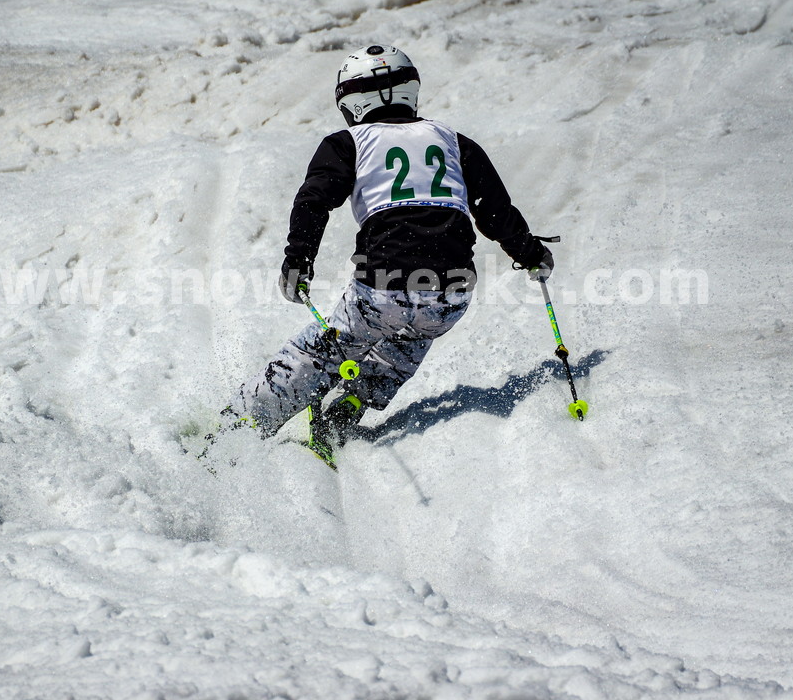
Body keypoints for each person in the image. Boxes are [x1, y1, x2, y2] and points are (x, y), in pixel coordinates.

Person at [222, 44, 554, 458]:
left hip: (383, 287)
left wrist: (298, 260)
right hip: (451, 293)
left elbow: (313, 201)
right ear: (410, 90)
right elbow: (494, 211)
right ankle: (350, 405)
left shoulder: (349, 142)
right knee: (404, 347)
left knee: (321, 352)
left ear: (350, 100)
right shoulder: (452, 140)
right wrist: (530, 252)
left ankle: (238, 428)